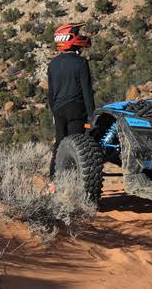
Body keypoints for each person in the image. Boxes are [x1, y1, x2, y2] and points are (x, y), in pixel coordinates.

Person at [47, 23, 95, 185]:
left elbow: (51, 94)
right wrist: (91, 115)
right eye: (77, 33)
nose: (80, 36)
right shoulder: (81, 62)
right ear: (69, 38)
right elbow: (87, 92)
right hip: (77, 110)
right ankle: (77, 185)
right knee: (78, 148)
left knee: (60, 145)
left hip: (59, 110)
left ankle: (53, 182)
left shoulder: (52, 65)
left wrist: (54, 113)